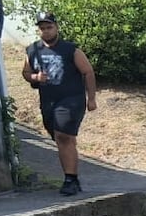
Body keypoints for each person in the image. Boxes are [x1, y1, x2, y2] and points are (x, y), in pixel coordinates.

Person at [22, 12, 97, 196]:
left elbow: (87, 71)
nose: (46, 31)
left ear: (56, 28)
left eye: (49, 27)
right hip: (48, 101)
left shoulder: (71, 49)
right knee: (61, 138)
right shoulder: (33, 50)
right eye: (42, 28)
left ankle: (70, 179)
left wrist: (92, 98)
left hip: (71, 99)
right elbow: (25, 72)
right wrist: (35, 77)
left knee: (63, 136)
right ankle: (74, 178)